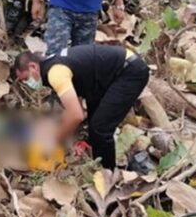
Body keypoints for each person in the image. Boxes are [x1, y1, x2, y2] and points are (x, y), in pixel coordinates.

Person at [13, 45, 149, 169]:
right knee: (93, 115)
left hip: (129, 72)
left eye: (26, 79)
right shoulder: (53, 64)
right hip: (106, 77)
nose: (28, 83)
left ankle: (107, 173)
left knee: (100, 127)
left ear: (33, 67)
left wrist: (54, 142)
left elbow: (76, 114)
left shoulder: (55, 73)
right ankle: (95, 156)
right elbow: (74, 107)